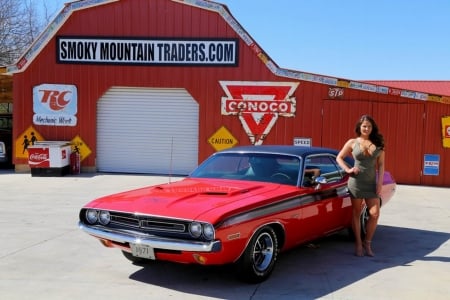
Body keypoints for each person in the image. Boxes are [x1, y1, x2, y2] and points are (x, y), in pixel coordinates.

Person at [336, 115, 385, 257]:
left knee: (374, 214)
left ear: (372, 128)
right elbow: (339, 157)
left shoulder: (378, 143)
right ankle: (358, 243)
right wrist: (348, 169)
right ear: (359, 127)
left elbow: (381, 165)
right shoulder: (352, 142)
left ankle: (367, 243)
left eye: (369, 126)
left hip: (371, 184)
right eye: (364, 126)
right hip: (356, 182)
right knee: (356, 213)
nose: (366, 128)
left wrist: (380, 183)